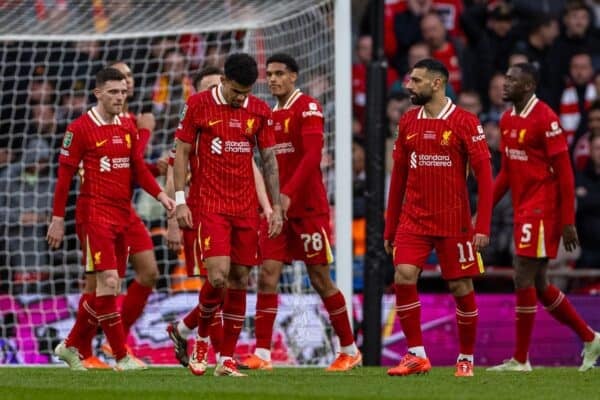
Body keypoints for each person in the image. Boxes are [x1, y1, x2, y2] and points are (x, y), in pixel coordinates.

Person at [47, 67, 175, 371]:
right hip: (94, 215)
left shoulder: (126, 127)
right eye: (113, 92)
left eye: (123, 92)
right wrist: (56, 219)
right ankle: (121, 355)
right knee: (108, 282)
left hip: (122, 214)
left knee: (108, 289)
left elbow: (138, 169)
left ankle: (70, 346)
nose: (120, 97)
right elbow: (64, 179)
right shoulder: (79, 129)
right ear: (98, 93)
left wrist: (161, 196)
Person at [240, 53, 361, 372]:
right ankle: (263, 354)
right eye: (270, 74)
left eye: (280, 73)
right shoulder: (266, 114)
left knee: (320, 279)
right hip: (277, 210)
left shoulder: (307, 107)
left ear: (294, 76)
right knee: (267, 275)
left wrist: (288, 196)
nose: (274, 79)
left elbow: (312, 157)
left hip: (307, 209)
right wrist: (268, 203)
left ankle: (349, 349)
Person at [173, 53, 283, 377]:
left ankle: (226, 359)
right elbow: (180, 153)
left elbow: (270, 162)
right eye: (236, 91)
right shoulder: (197, 105)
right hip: (210, 205)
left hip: (245, 208)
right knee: (217, 275)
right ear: (223, 81)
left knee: (239, 279)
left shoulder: (259, 111)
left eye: (246, 93)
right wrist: (180, 201)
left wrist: (275, 207)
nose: (240, 98)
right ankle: (203, 339)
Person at [487, 63, 600, 372]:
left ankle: (521, 360)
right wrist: (483, 210)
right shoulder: (508, 118)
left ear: (529, 86)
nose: (505, 83)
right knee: (538, 284)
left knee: (522, 273)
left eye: (512, 79)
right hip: (524, 207)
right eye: (505, 77)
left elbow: (565, 175)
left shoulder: (546, 119)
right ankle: (590, 338)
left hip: (544, 208)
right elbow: (506, 174)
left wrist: (567, 221)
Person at [383, 58, 493, 377]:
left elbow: (485, 178)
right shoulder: (407, 121)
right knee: (403, 275)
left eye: (416, 81)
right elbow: (399, 178)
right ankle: (416, 354)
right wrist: (390, 228)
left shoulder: (465, 121)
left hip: (453, 221)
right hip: (414, 219)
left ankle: (466, 358)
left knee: (460, 287)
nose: (409, 86)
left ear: (436, 83)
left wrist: (481, 225)